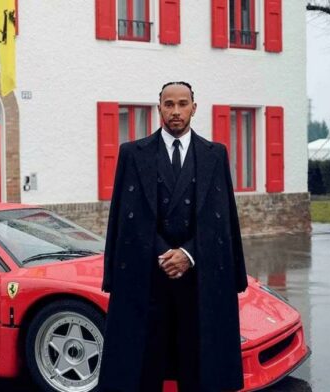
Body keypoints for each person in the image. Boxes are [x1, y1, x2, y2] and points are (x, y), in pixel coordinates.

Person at [97, 81, 248, 392]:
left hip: (199, 281)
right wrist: (166, 254)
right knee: (143, 367)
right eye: (169, 104)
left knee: (198, 366)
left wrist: (189, 255)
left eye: (182, 104)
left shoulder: (215, 155)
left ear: (194, 107)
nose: (175, 111)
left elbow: (222, 219)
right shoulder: (132, 154)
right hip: (148, 279)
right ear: (159, 108)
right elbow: (126, 219)